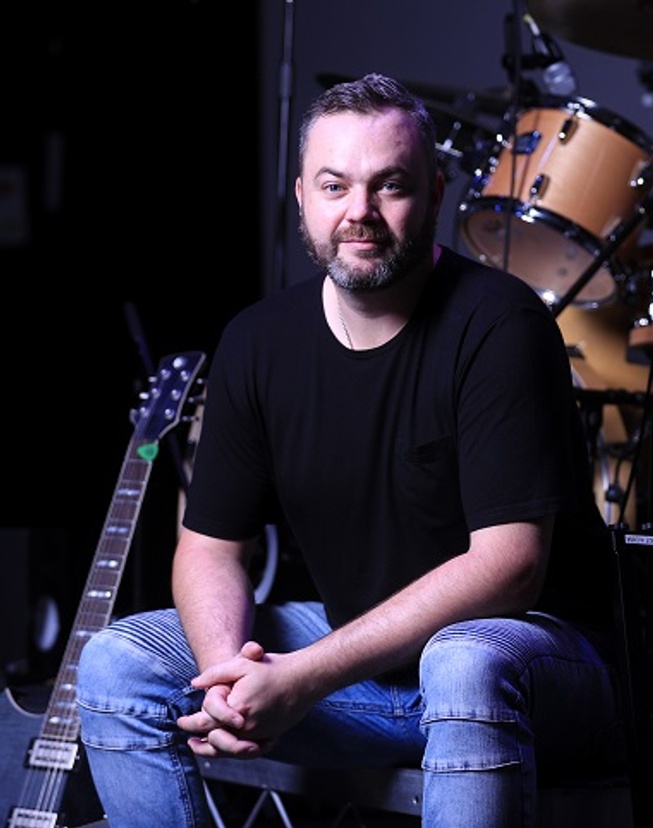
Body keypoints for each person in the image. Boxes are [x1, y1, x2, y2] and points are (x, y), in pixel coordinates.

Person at [76, 72, 624, 828]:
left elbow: (510, 564)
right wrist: (228, 677)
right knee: (116, 662)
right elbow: (208, 550)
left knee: (462, 660)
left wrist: (301, 679)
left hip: (536, 673)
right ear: (302, 195)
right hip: (361, 668)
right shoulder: (257, 342)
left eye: (389, 185)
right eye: (335, 186)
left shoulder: (501, 323)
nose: (358, 213)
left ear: (435, 193)